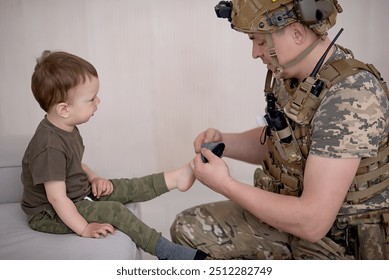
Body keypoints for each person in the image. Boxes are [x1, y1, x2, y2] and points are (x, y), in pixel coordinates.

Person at [171, 0, 389, 260]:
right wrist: (225, 143)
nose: (254, 52)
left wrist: (226, 184)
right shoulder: (295, 75)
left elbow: (313, 222)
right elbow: (282, 144)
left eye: (261, 41)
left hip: (341, 241)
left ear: (297, 33)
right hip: (296, 219)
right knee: (188, 228)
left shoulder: (350, 97)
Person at [21, 50, 208, 260]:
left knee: (123, 186)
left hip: (76, 194)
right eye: (91, 99)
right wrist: (84, 228)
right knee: (114, 210)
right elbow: (56, 198)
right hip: (49, 214)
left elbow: (74, 165)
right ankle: (166, 251)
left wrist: (94, 178)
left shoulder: (66, 127)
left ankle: (178, 177)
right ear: (64, 109)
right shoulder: (49, 146)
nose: (98, 101)